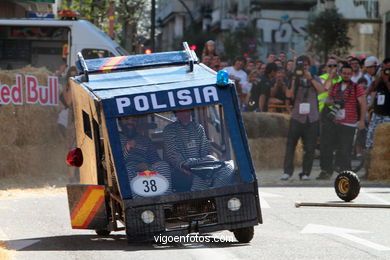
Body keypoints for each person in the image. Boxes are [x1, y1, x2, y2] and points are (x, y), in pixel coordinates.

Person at [163, 109, 235, 192]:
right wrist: (183, 165)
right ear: (176, 113)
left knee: (229, 166)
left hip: (201, 165)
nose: (186, 114)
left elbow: (205, 151)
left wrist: (208, 162)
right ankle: (202, 192)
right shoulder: (170, 129)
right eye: (181, 111)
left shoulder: (198, 128)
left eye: (187, 111)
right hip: (183, 168)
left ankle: (215, 192)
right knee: (209, 162)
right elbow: (173, 154)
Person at [317, 64, 366, 180]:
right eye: (344, 73)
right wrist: (332, 103)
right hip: (335, 122)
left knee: (345, 149)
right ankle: (326, 171)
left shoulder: (356, 87)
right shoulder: (335, 86)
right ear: (341, 73)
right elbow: (328, 99)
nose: (346, 76)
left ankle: (345, 173)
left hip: (349, 123)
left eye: (349, 74)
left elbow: (363, 103)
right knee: (327, 147)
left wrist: (362, 120)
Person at [280, 56, 324, 181]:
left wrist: (310, 79)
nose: (303, 67)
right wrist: (294, 79)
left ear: (309, 66)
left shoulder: (314, 78)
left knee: (310, 148)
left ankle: (306, 173)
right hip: (297, 118)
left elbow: (321, 90)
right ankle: (287, 172)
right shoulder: (294, 78)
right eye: (301, 65)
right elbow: (289, 94)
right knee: (290, 146)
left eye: (305, 65)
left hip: (312, 118)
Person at [119, 117, 172, 197]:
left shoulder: (144, 139)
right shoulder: (114, 139)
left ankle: (166, 203)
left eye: (133, 120)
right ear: (120, 122)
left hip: (146, 169)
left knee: (163, 165)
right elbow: (107, 165)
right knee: (126, 171)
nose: (130, 122)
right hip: (126, 170)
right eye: (126, 119)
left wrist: (148, 166)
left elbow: (155, 159)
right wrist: (127, 149)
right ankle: (136, 205)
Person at [363, 58, 390, 179]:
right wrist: (380, 78)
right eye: (384, 68)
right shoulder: (378, 79)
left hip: (388, 116)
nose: (386, 71)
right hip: (377, 115)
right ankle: (368, 171)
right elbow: (370, 90)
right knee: (369, 143)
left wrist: (387, 80)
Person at [57, 66, 78, 183]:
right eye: (71, 75)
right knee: (72, 148)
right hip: (72, 118)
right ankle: (71, 176)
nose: (73, 77)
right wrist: (71, 85)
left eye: (75, 75)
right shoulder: (67, 88)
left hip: (81, 115)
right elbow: (69, 102)